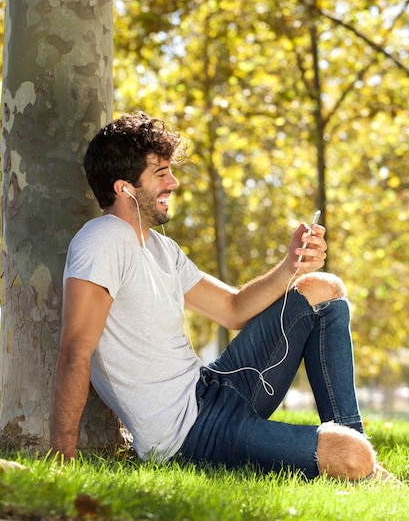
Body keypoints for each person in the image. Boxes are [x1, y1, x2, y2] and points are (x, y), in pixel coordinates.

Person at [50, 111, 386, 481]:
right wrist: (62, 460)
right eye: (160, 174)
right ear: (123, 188)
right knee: (351, 456)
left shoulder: (162, 249)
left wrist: (291, 265)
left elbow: (232, 309)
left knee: (324, 289)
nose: (173, 183)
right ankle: (362, 464)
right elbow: (75, 351)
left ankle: (364, 457)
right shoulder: (102, 240)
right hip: (191, 434)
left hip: (213, 388)